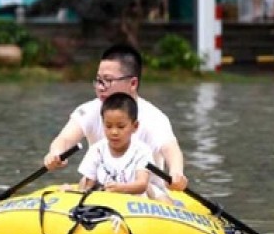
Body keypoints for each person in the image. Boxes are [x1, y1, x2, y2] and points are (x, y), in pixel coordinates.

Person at [43, 43, 187, 201]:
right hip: (101, 189)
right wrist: (55, 153)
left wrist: (176, 173)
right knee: (84, 183)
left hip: (146, 195)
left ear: (133, 83)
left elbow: (171, 149)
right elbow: (65, 139)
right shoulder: (89, 110)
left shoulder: (154, 117)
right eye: (98, 80)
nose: (100, 87)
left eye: (108, 80)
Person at [75, 92, 153, 195]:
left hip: (133, 204)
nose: (114, 132)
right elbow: (87, 183)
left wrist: (120, 188)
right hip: (103, 204)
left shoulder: (142, 151)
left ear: (135, 126)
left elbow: (142, 184)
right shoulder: (97, 150)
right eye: (108, 126)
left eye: (121, 127)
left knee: (153, 191)